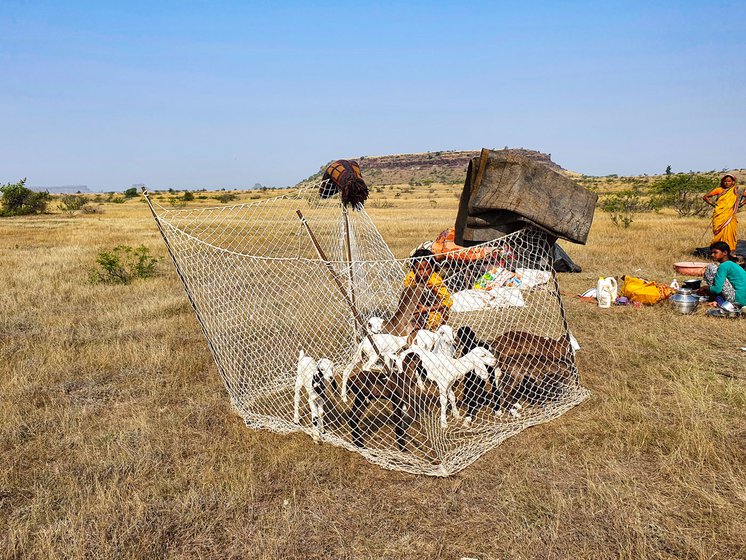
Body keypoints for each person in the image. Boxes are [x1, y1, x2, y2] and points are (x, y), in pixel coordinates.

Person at [403, 248, 453, 334]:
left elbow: (448, 302)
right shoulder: (411, 278)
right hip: (416, 309)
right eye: (419, 269)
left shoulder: (434, 280)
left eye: (426, 269)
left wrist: (427, 309)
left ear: (433, 268)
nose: (422, 273)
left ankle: (435, 329)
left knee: (432, 325)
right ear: (413, 269)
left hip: (433, 310)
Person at [703, 174, 744, 251]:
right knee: (718, 233)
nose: (726, 183)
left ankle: (730, 251)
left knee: (730, 234)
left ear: (733, 182)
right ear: (722, 182)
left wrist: (741, 204)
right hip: (719, 215)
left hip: (730, 216)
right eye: (725, 181)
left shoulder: (736, 190)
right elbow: (705, 197)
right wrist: (713, 204)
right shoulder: (719, 190)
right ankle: (717, 251)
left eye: (729, 181)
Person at [698, 242, 746, 308]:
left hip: (738, 300)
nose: (712, 255)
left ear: (725, 253)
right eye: (712, 253)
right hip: (743, 299)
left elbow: (717, 289)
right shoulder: (731, 264)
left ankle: (720, 301)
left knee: (711, 268)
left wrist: (706, 288)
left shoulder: (724, 266)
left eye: (715, 252)